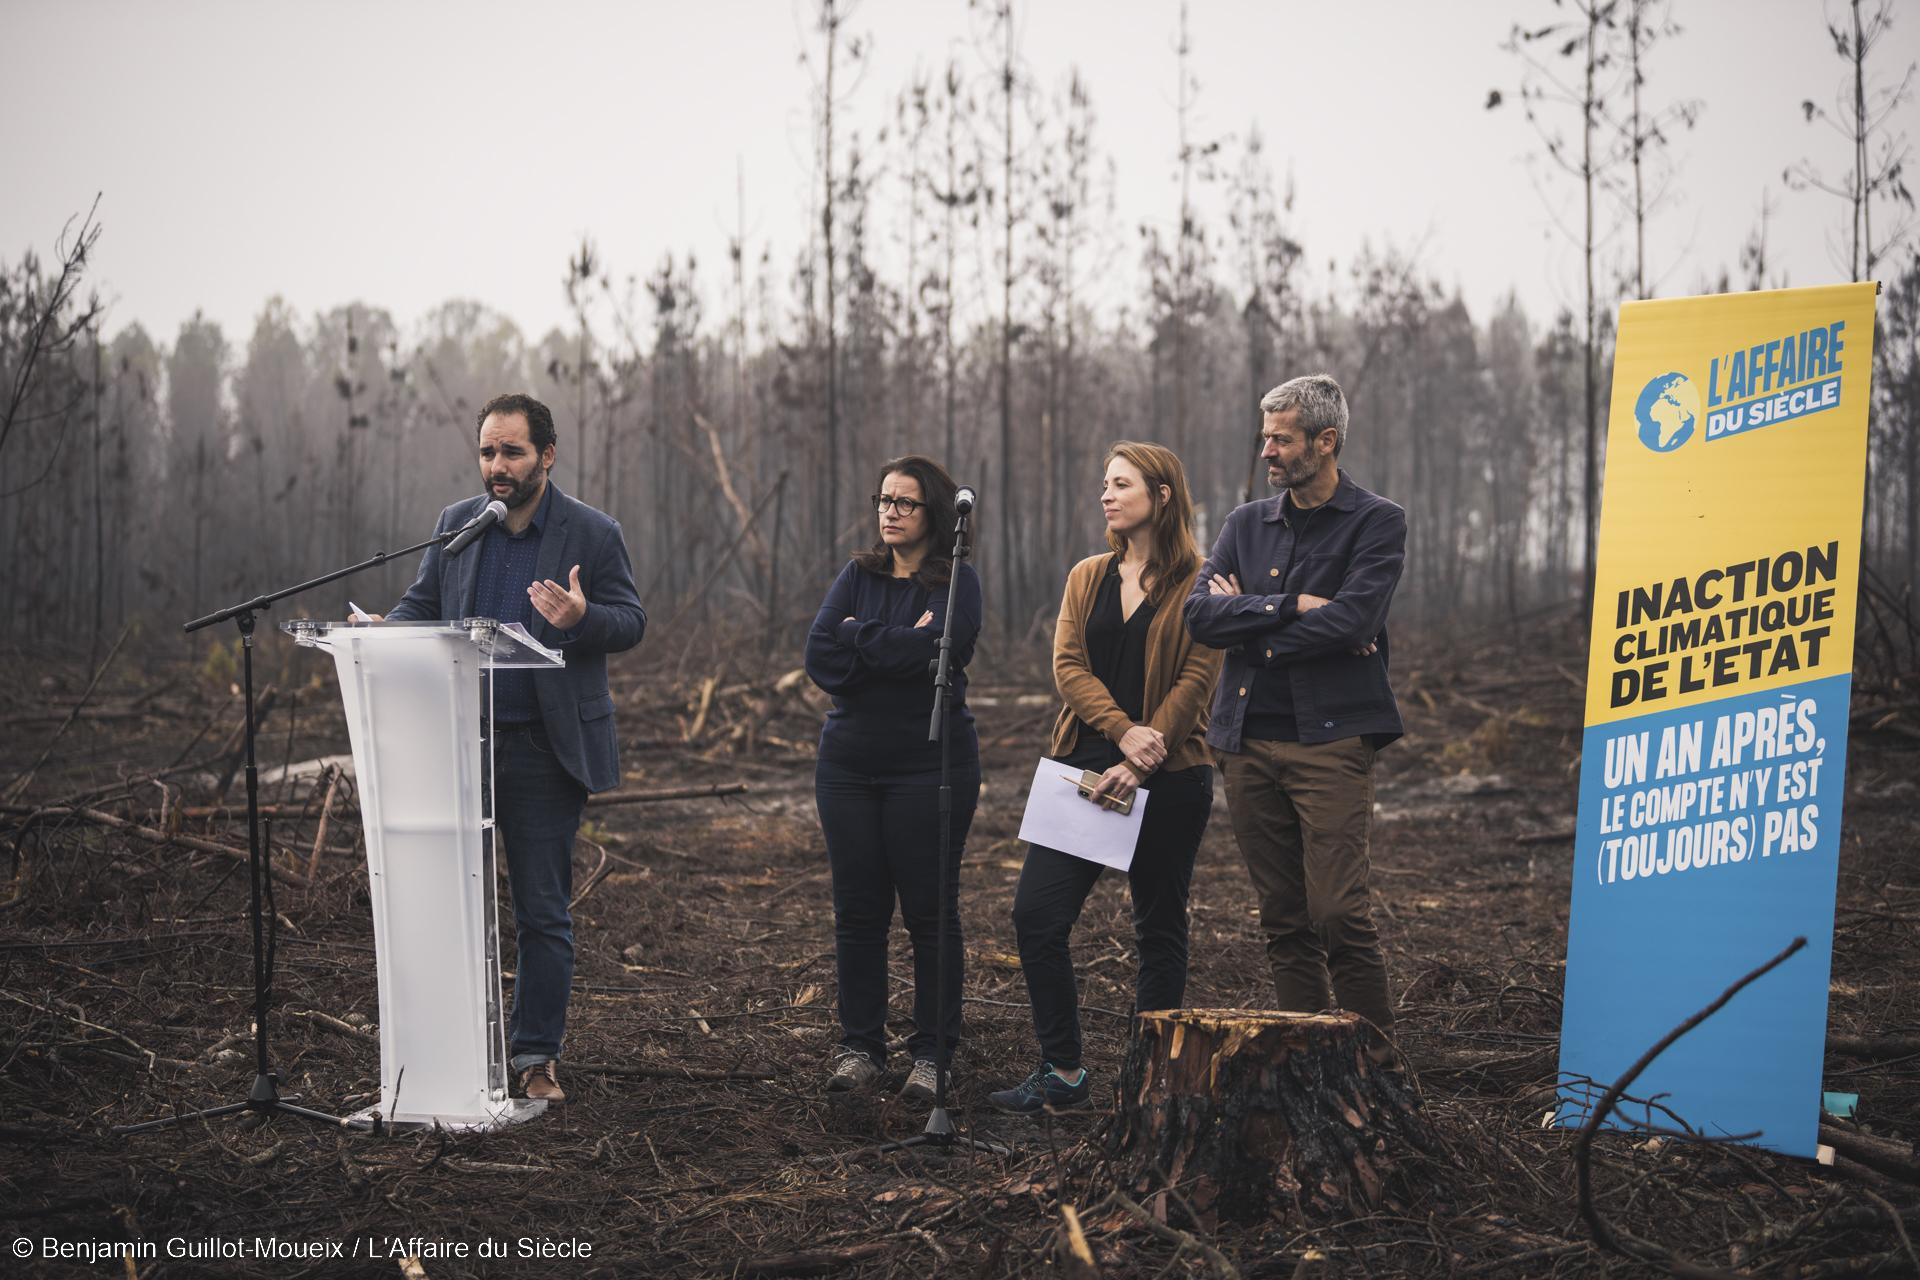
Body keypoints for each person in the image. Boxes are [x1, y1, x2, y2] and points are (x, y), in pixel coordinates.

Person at [382, 392, 646, 1103]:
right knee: (452, 905)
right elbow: (424, 604)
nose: (497, 467)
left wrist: (585, 615)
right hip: (459, 743)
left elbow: (631, 621)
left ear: (547, 456)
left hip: (543, 749)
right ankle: (457, 1052)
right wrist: (382, 630)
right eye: (488, 453)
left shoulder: (592, 532)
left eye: (512, 453)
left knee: (540, 910)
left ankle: (536, 1059)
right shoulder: (457, 525)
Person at [989, 442, 1223, 1115]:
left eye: (1121, 484)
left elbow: (1199, 677)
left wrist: (1144, 757)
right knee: (1036, 916)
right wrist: (1121, 736)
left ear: (1162, 494)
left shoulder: (1201, 581)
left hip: (1171, 774)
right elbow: (1067, 667)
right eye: (1104, 484)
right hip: (1086, 771)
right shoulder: (1087, 575)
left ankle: (1155, 1081)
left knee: (1159, 927)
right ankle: (1062, 1071)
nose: (1107, 495)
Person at [1183, 373, 1405, 1041]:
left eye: (1281, 440)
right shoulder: (1245, 524)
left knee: (1338, 912)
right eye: (1265, 437)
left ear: (1325, 441)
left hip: (1331, 743)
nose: (1267, 452)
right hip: (1245, 741)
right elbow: (1200, 616)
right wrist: (1287, 608)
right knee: (1283, 918)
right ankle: (1311, 1066)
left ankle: (1376, 1065)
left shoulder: (1376, 521)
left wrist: (1249, 627)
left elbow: (1354, 623)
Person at [803, 456, 983, 1103]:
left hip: (929, 763)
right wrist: (895, 641)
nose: (890, 511)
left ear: (933, 512)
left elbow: (942, 653)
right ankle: (860, 1047)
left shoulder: (958, 581)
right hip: (848, 764)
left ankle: (933, 1054)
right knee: (858, 912)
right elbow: (819, 653)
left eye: (904, 502)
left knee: (930, 914)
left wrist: (861, 639)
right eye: (884, 499)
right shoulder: (859, 574)